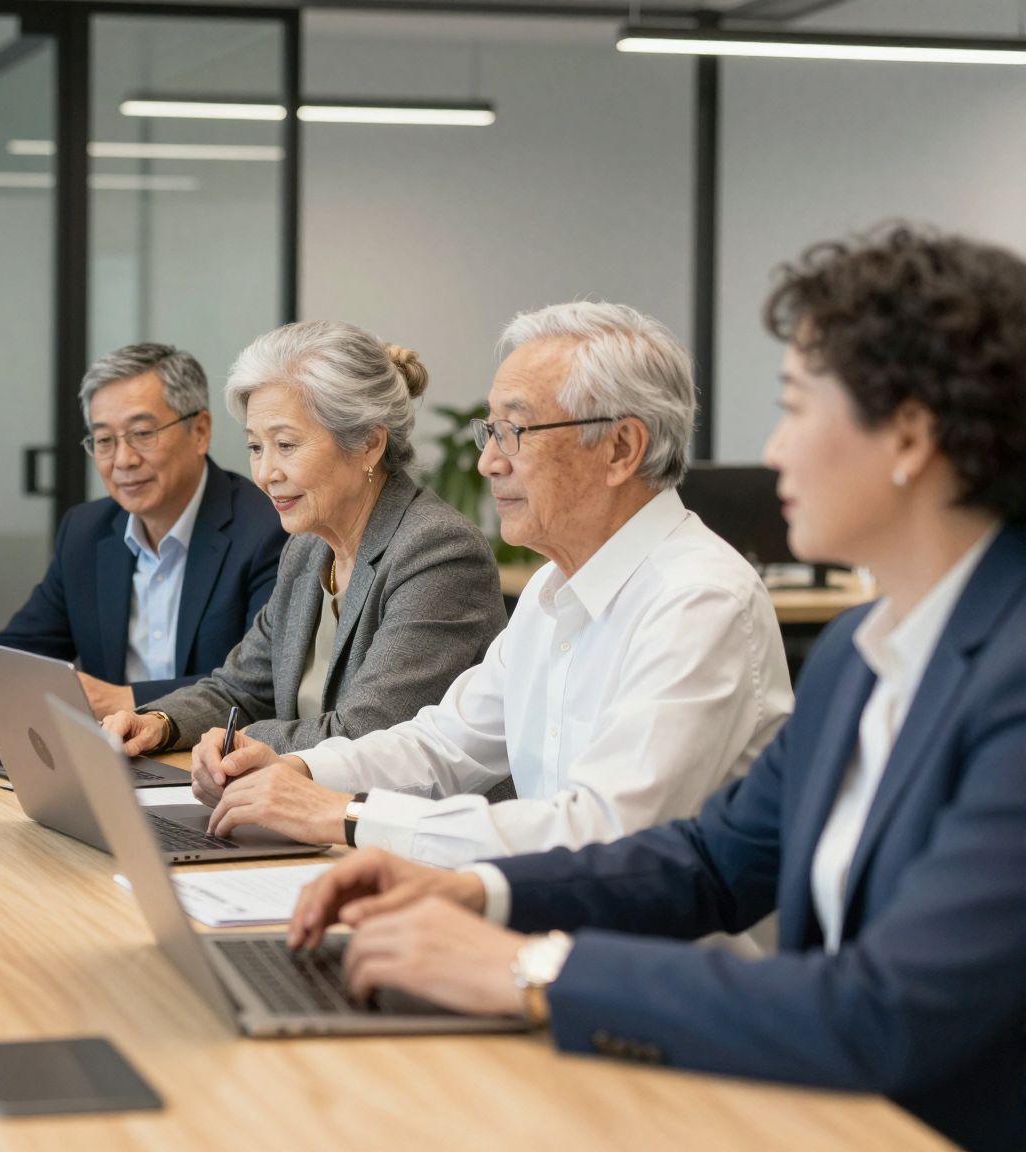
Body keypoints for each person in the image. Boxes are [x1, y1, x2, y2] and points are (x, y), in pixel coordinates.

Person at [285, 226, 1026, 1152]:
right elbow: (710, 862)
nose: (773, 449)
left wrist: (533, 970)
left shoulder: (1007, 676)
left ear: (910, 434)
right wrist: (477, 893)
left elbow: (888, 1010)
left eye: (797, 408)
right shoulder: (859, 652)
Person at [196, 303, 792, 860]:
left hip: (643, 959)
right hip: (531, 927)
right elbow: (443, 744)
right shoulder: (550, 592)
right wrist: (302, 773)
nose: (488, 462)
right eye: (490, 432)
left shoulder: (698, 600)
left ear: (621, 447)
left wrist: (347, 817)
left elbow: (601, 835)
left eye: (515, 432)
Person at [101, 323, 504, 752]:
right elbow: (239, 690)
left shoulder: (438, 551)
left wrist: (233, 742)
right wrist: (159, 723)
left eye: (286, 445)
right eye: (256, 447)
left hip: (412, 816)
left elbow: (368, 733)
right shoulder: (308, 549)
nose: (264, 473)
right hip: (305, 806)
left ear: (368, 442)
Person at [0, 342, 289, 716]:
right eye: (104, 440)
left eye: (143, 434)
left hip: (215, 758)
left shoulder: (267, 531)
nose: (123, 460)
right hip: (111, 757)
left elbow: (264, 684)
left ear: (200, 431)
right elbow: (19, 655)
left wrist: (125, 701)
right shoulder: (85, 531)